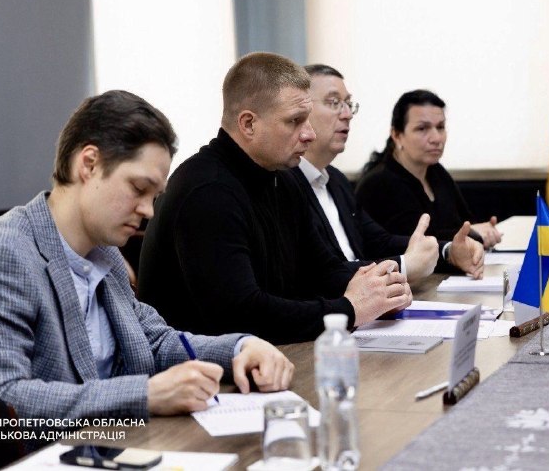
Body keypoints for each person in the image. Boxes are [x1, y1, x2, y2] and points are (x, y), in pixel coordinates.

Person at [0, 90, 294, 426]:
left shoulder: (103, 251)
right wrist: (146, 395)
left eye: (154, 196)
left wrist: (241, 347)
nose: (148, 211)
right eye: (138, 188)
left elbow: (154, 342)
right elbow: (0, 403)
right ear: (89, 164)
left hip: (113, 444)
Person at [138, 53, 411, 345]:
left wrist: (380, 286)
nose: (309, 134)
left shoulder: (285, 177)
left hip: (273, 354)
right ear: (248, 124)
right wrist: (350, 310)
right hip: (208, 367)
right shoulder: (207, 191)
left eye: (307, 119)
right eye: (295, 121)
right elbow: (241, 315)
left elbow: (322, 270)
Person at [289, 65, 484, 279]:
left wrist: (448, 251)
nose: (347, 114)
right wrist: (404, 265)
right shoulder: (283, 184)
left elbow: (379, 241)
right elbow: (317, 273)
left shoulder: (336, 180)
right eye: (334, 103)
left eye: (348, 104)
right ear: (300, 112)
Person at [356, 89, 503, 249]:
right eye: (422, 129)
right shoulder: (379, 183)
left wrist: (482, 230)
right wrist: (472, 233)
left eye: (440, 127)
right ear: (397, 135)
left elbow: (465, 221)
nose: (436, 138)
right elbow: (413, 242)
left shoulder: (436, 171)